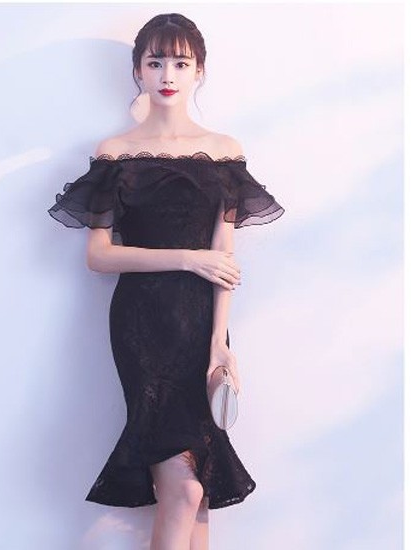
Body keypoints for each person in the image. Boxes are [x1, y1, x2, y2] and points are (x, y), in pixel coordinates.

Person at [48, 12, 285, 550]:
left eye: (180, 62)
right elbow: (99, 256)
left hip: (202, 325)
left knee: (198, 485)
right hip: (143, 325)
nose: (167, 74)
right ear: (138, 70)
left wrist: (220, 344)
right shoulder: (115, 152)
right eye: (155, 62)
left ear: (200, 70)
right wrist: (187, 259)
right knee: (182, 488)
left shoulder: (223, 151)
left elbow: (224, 258)